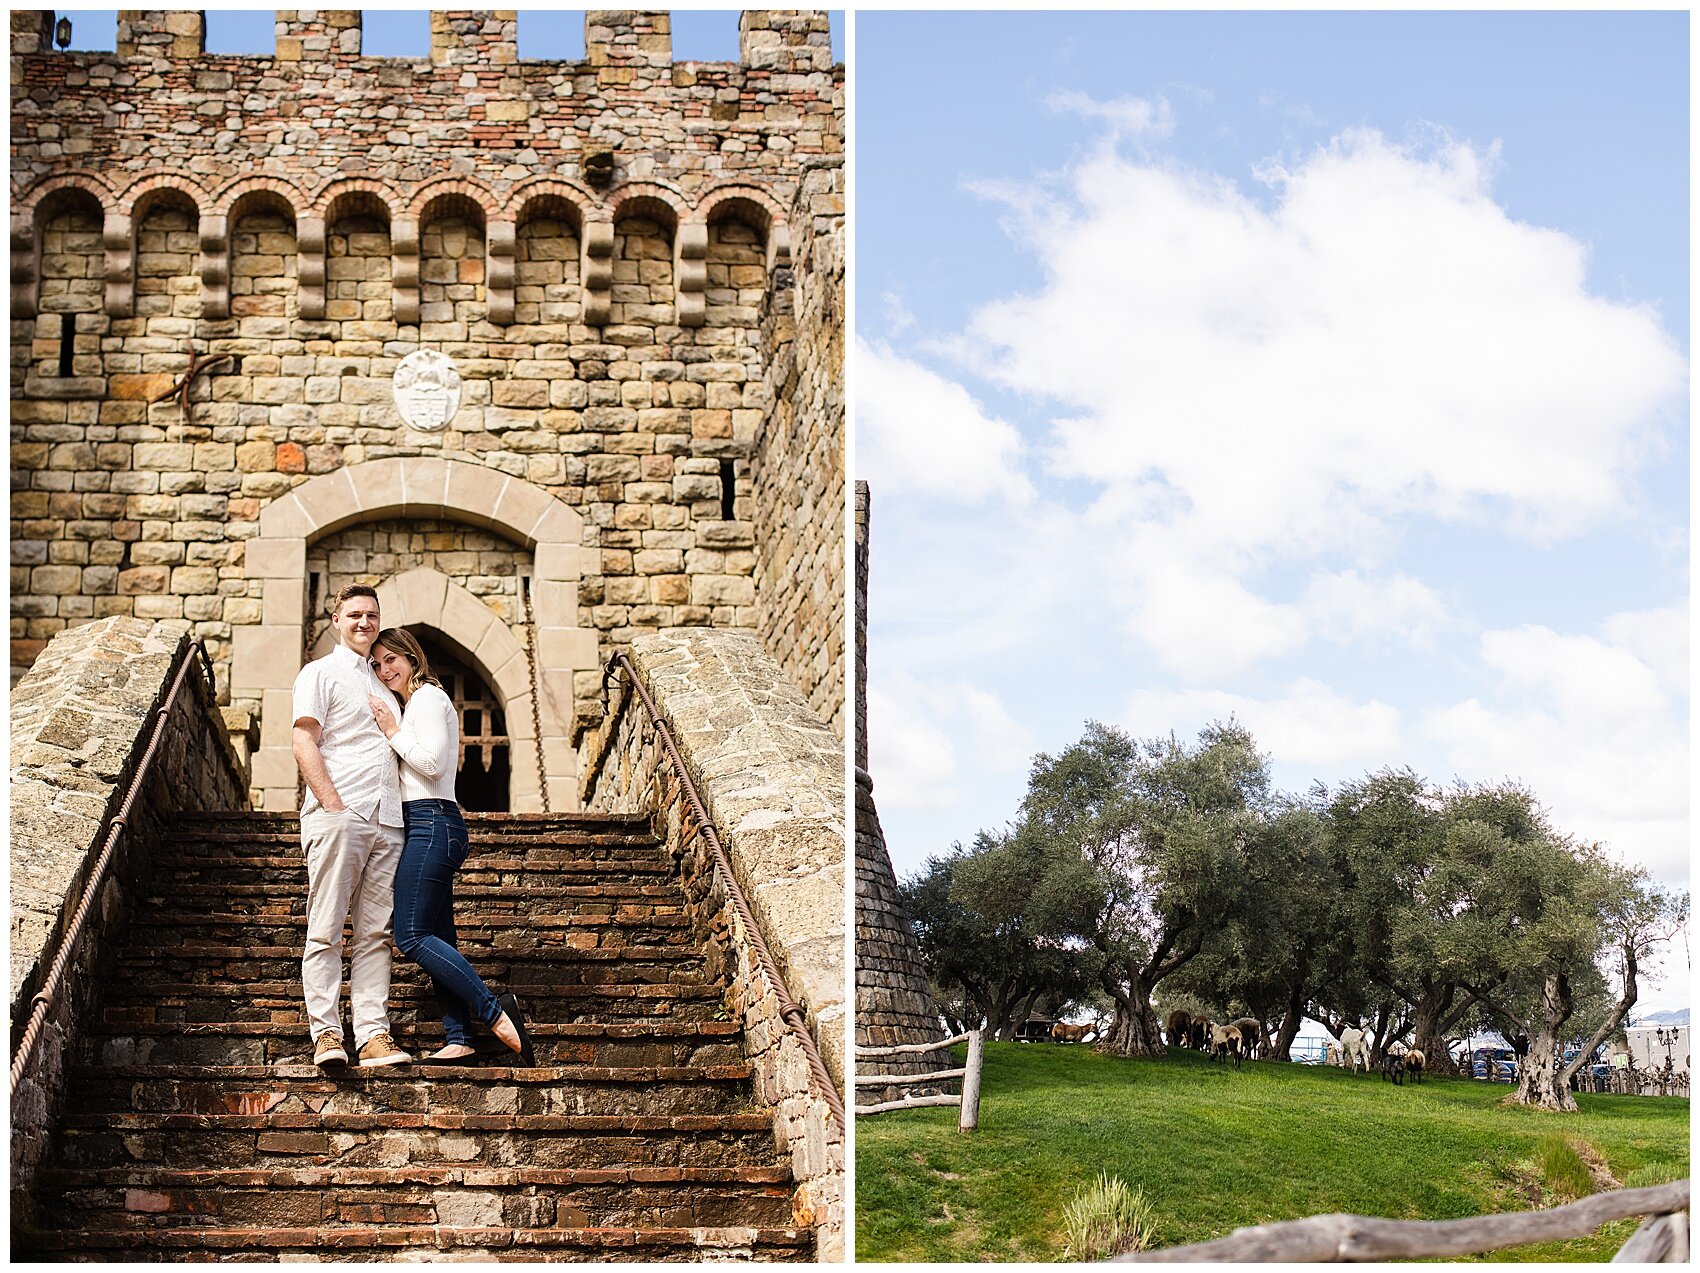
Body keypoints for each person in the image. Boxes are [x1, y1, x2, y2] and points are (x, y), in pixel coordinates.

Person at [368, 626, 534, 1067]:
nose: (385, 670)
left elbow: (434, 762)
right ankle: (458, 1036)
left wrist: (392, 731)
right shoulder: (413, 704)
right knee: (440, 935)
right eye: (378, 663)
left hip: (433, 822)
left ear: (412, 657)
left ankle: (495, 1012)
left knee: (411, 934)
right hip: (423, 823)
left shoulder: (428, 698)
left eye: (392, 659)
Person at [292, 584, 412, 1069]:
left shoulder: (388, 682)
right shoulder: (318, 673)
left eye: (372, 615)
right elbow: (304, 741)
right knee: (325, 929)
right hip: (342, 813)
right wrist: (333, 805)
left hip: (389, 819)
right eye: (355, 614)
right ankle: (326, 1034)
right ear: (337, 619)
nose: (365, 623)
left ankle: (373, 1036)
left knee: (376, 935)